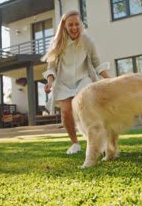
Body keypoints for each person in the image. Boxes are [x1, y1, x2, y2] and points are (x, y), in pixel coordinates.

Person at [42, 10, 110, 154]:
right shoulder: (58, 42)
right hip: (63, 82)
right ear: (64, 26)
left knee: (86, 110)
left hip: (83, 79)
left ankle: (99, 142)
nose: (74, 28)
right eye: (70, 25)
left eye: (77, 24)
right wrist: (49, 82)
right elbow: (51, 66)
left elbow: (96, 61)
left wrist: (108, 78)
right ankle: (75, 143)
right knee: (66, 112)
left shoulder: (87, 41)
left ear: (81, 24)